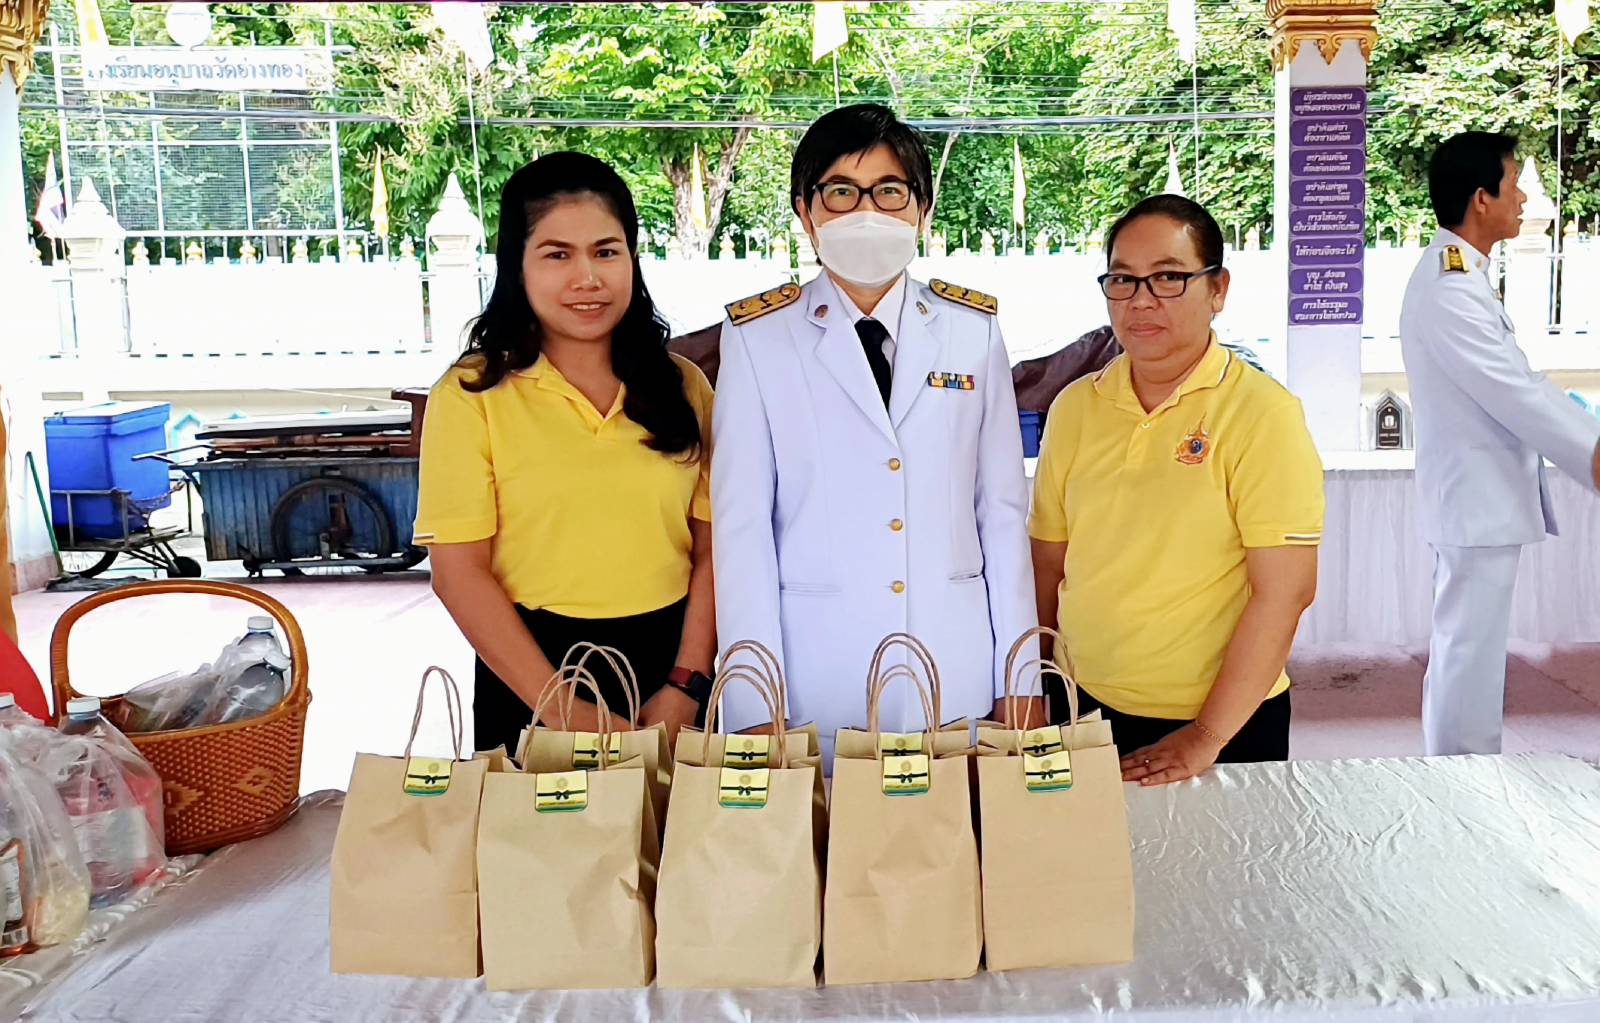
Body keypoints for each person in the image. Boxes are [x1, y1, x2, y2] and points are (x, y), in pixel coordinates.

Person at [712, 103, 1038, 754]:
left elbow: (1000, 515)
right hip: (814, 678)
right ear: (806, 213)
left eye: (889, 191)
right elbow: (742, 529)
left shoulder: (972, 331)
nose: (867, 211)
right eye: (841, 191)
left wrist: (1021, 676)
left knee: (959, 840)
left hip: (954, 668)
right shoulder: (758, 337)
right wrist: (751, 699)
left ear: (922, 209)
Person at [415, 152, 717, 753]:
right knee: (541, 846)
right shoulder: (473, 395)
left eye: (607, 251)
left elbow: (714, 551)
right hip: (529, 676)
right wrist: (562, 708)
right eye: (557, 255)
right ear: (517, 268)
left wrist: (686, 682)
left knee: (677, 844)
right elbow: (458, 573)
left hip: (671, 673)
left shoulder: (683, 387)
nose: (588, 279)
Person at [1029, 195, 1324, 785]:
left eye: (1168, 277)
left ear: (1218, 289)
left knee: (1223, 876)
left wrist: (1205, 737)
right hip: (1082, 706)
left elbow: (1284, 593)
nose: (1141, 299)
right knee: (1090, 873)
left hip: (1223, 722)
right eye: (1123, 279)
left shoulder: (1261, 414)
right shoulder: (1076, 408)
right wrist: (1036, 690)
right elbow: (1046, 567)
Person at [1399, 131, 1600, 756]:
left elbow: (1520, 388)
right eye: (1514, 185)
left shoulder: (1462, 277)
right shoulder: (1450, 287)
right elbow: (1516, 391)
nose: (1523, 199)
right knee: (1468, 652)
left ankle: (1463, 772)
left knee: (1471, 649)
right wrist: (1592, 453)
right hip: (1475, 502)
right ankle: (1463, 779)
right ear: (1481, 198)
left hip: (1479, 501)